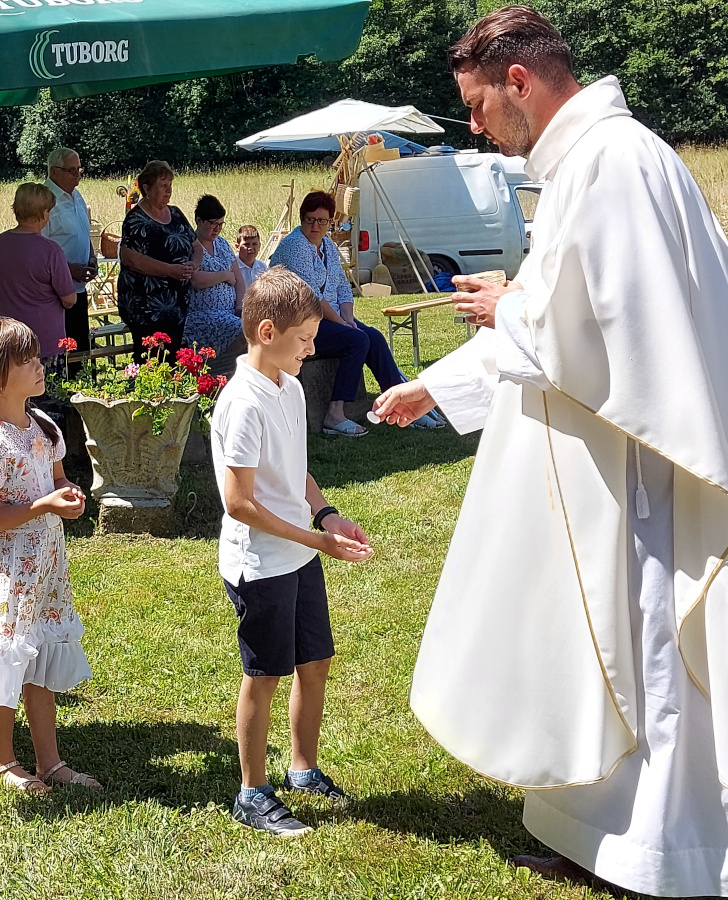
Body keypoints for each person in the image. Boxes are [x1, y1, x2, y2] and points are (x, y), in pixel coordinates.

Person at [372, 8, 728, 897]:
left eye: (478, 107)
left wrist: (513, 307)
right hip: (594, 453)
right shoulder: (588, 163)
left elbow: (609, 331)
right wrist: (444, 378)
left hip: (632, 465)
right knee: (591, 647)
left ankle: (657, 851)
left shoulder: (612, 160)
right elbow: (568, 299)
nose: (477, 128)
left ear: (519, 81)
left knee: (638, 650)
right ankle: (591, 832)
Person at [212, 267, 373, 836]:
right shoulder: (241, 404)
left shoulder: (292, 384)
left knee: (315, 660)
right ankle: (252, 792)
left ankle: (302, 769)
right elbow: (240, 503)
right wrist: (317, 540)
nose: (312, 347)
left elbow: (295, 469)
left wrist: (328, 514)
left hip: (299, 554)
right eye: (304, 338)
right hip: (260, 563)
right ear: (265, 330)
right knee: (265, 673)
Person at [0, 315, 99, 794]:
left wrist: (67, 495)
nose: (39, 365)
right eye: (27, 360)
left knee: (39, 660)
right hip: (11, 570)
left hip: (47, 569)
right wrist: (41, 506)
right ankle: (3, 759)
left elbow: (56, 480)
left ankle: (50, 761)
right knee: (7, 657)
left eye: (36, 356)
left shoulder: (45, 425)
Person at [271, 191, 435, 435]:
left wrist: (348, 319)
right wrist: (343, 325)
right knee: (356, 340)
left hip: (324, 319)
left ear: (330, 222)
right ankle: (335, 414)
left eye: (322, 221)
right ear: (301, 218)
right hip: (296, 323)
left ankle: (400, 401)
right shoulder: (295, 245)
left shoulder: (327, 245)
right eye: (310, 220)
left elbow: (341, 286)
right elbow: (313, 296)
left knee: (374, 337)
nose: (315, 226)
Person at [0, 183, 76, 369]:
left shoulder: (1, 242)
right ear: (43, 213)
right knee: (49, 394)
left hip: (10, 336)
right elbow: (69, 298)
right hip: (45, 339)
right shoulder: (50, 250)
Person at [116, 160, 199, 360]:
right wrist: (171, 270)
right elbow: (132, 259)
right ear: (147, 188)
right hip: (147, 308)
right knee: (150, 362)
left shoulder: (177, 213)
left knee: (173, 362)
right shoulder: (136, 219)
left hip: (177, 306)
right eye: (163, 185)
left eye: (170, 185)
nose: (169, 190)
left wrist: (193, 265)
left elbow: (196, 246)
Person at [41, 147, 98, 370]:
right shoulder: (45, 200)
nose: (77, 176)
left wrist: (92, 257)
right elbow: (41, 250)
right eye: (71, 171)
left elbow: (83, 231)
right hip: (56, 294)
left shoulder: (76, 195)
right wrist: (66, 270)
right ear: (54, 172)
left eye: (79, 170)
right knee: (65, 355)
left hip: (79, 288)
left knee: (82, 352)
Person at [184, 195, 246, 359]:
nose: (217, 229)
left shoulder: (222, 244)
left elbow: (239, 280)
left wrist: (239, 306)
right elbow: (195, 280)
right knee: (246, 333)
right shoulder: (189, 245)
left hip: (229, 314)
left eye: (220, 224)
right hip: (203, 316)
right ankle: (224, 368)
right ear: (199, 220)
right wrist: (224, 275)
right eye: (213, 224)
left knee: (261, 328)